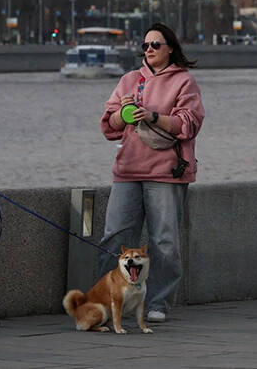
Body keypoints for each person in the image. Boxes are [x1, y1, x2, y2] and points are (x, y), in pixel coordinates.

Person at [98, 23, 205, 324]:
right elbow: (108, 125)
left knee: (164, 241)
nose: (149, 50)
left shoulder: (185, 82)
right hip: (128, 170)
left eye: (156, 45)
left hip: (166, 172)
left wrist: (154, 116)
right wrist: (124, 113)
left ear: (170, 48)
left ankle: (158, 302)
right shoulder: (129, 80)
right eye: (145, 45)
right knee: (115, 237)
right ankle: (108, 300)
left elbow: (190, 124)